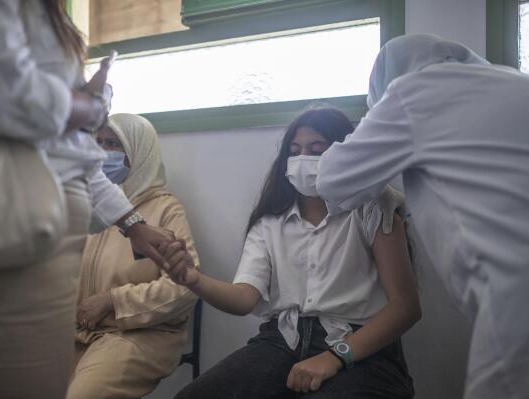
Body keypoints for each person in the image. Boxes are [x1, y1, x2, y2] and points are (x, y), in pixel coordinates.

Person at [0, 2, 171, 398]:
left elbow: (62, 148)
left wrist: (132, 223)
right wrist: (88, 106)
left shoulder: (163, 204)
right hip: (7, 236)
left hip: (37, 238)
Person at [315, 34, 529, 399]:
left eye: (313, 148)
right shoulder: (515, 83)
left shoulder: (412, 91)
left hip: (516, 302)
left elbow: (333, 180)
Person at [159, 107, 421, 399]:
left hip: (359, 345)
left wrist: (335, 357)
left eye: (315, 148)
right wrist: (193, 279)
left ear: (343, 152)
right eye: (294, 150)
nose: (302, 159)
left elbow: (406, 308)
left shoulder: (374, 209)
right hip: (282, 340)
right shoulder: (269, 222)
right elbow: (244, 298)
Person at [66, 114, 200, 399]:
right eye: (97, 142)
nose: (101, 152)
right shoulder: (83, 205)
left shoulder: (165, 210)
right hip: (76, 330)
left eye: (112, 143)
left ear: (138, 151)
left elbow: (184, 288)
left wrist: (113, 300)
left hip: (138, 334)